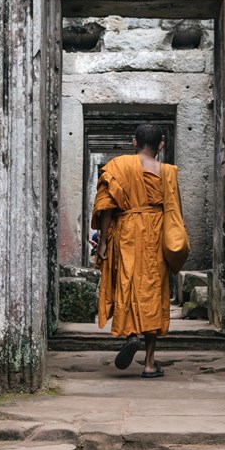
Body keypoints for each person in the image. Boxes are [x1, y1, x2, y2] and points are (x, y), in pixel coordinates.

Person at [91, 123, 182, 378]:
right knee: (153, 291)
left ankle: (132, 334)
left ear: (134, 142)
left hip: (127, 233)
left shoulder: (119, 166)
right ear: (161, 145)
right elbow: (174, 210)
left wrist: (105, 243)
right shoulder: (167, 172)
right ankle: (150, 363)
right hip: (155, 232)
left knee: (128, 284)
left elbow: (107, 207)